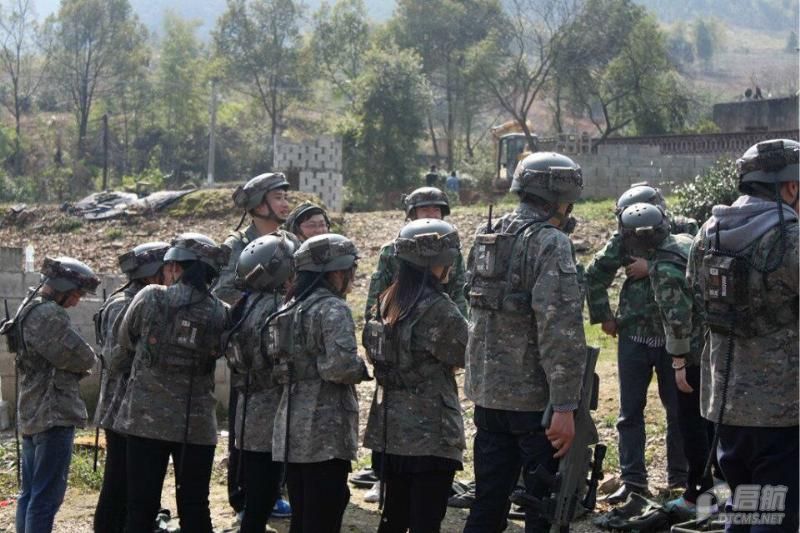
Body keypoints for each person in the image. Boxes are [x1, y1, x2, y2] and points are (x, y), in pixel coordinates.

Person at [463, 152, 587, 532]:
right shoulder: (550, 242)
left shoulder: (487, 235)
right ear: (561, 198)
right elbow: (560, 330)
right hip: (535, 405)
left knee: (487, 504)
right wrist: (564, 406)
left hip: (488, 397)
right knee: (542, 509)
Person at [687, 139, 798, 532]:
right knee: (776, 513)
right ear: (791, 187)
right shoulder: (790, 238)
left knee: (746, 502)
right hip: (782, 409)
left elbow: (696, 297)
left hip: (725, 403)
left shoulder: (707, 234)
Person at [114, 233, 230, 533]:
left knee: (140, 507)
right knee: (195, 506)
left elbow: (124, 342)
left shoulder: (151, 296)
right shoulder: (221, 312)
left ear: (176, 267)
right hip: (196, 424)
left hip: (145, 420)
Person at [585, 184, 691, 503]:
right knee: (630, 411)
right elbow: (595, 274)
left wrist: (651, 267)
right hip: (633, 334)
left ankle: (680, 478)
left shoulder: (684, 232)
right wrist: (604, 316)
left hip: (674, 339)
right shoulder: (622, 239)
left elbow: (696, 268)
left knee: (679, 410)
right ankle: (632, 480)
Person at [363, 218, 468, 532]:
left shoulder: (387, 301)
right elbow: (466, 353)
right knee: (425, 521)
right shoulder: (439, 308)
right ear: (438, 261)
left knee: (394, 516)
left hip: (390, 430)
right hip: (430, 434)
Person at [269, 233, 370, 533]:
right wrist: (362, 368)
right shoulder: (333, 308)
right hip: (326, 430)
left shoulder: (288, 307)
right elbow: (340, 367)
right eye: (351, 269)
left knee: (303, 514)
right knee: (325, 512)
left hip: (291, 426)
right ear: (336, 272)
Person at [617, 203, 713, 513]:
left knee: (691, 423)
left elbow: (676, 318)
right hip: (712, 346)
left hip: (694, 355)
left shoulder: (661, 267)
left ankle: (697, 493)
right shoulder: (683, 242)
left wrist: (679, 362)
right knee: (708, 421)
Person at [214, 172, 298, 520]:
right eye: (278, 198)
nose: (285, 204)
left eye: (284, 197)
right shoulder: (236, 245)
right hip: (249, 348)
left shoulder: (291, 241)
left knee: (281, 423)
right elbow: (222, 291)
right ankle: (243, 496)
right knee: (244, 425)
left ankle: (273, 492)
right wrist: (260, 299)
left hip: (283, 344)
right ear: (258, 204)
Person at [12, 256, 99, 533]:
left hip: (31, 412)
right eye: (75, 295)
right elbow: (84, 357)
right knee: (46, 498)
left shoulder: (28, 307)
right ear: (62, 288)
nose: (76, 302)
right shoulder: (50, 314)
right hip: (53, 414)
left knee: (30, 494)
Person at [93, 242, 169, 533]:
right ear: (152, 273)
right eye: (167, 269)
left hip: (128, 408)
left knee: (127, 481)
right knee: (119, 481)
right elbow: (116, 358)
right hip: (122, 408)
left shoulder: (129, 299)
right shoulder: (124, 304)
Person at [227, 234, 296, 533]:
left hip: (248, 407)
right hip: (273, 410)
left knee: (257, 495)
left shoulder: (244, 304)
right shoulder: (278, 308)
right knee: (264, 496)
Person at [365, 186, 467, 322]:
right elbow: (376, 299)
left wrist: (461, 325)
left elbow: (459, 294)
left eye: (436, 210)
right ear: (413, 215)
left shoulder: (451, 251)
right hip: (400, 322)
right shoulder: (391, 251)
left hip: (442, 323)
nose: (431, 215)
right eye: (424, 210)